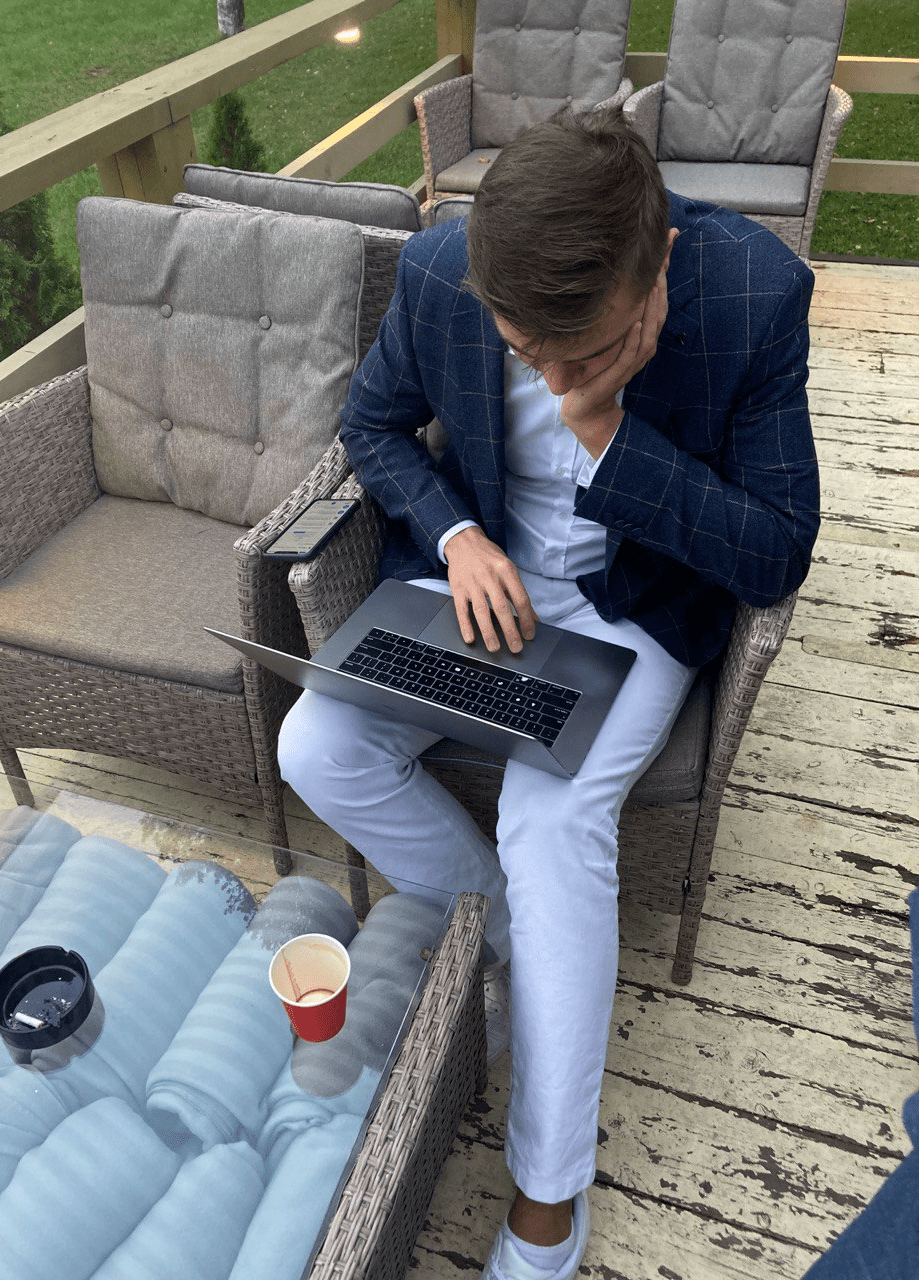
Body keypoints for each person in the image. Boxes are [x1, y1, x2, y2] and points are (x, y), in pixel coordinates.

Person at [278, 106, 819, 1280]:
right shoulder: (442, 274)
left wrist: (610, 429)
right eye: (532, 356)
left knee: (552, 812)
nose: (559, 378)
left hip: (635, 605)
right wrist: (457, 532)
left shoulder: (753, 293)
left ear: (660, 258)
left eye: (598, 350)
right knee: (315, 742)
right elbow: (371, 425)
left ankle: (546, 1199)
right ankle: (519, 937)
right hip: (480, 587)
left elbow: (778, 551)